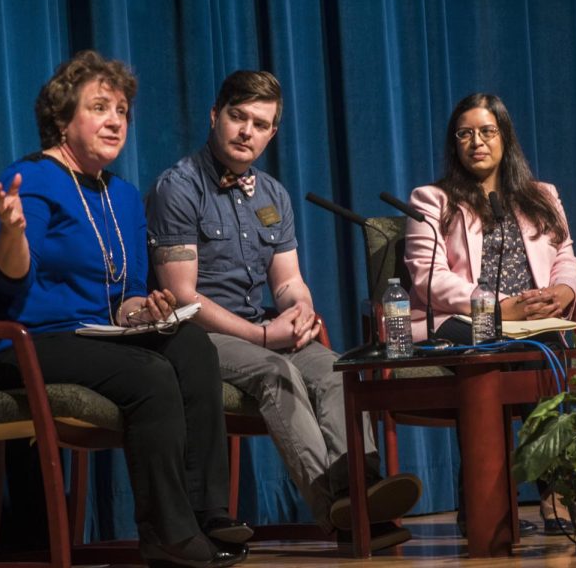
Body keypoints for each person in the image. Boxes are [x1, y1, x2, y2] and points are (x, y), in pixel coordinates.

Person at [0, 50, 248, 568]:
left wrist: (142, 310)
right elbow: (8, 280)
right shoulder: (31, 180)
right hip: (19, 342)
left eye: (123, 111)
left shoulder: (125, 197)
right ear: (63, 119)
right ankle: (167, 535)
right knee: (150, 374)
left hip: (89, 336)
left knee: (191, 345)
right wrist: (13, 236)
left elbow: (123, 295)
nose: (116, 120)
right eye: (100, 107)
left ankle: (208, 514)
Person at [144, 70, 422, 551]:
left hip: (263, 327)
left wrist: (301, 311)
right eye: (238, 117)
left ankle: (364, 492)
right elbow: (184, 296)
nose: (247, 131)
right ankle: (338, 510)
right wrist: (264, 337)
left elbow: (289, 281)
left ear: (272, 133)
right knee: (277, 372)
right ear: (215, 116)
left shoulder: (273, 194)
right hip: (197, 338)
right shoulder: (180, 187)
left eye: (260, 123)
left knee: (339, 370)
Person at [404, 93, 576, 536]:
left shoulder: (542, 195)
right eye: (465, 134)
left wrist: (563, 290)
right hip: (462, 322)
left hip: (534, 320)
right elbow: (428, 278)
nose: (477, 142)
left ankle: (549, 495)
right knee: (510, 356)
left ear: (505, 137)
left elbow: (566, 256)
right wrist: (498, 305)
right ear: (454, 144)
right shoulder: (432, 200)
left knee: (541, 350)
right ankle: (490, 505)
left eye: (487, 131)